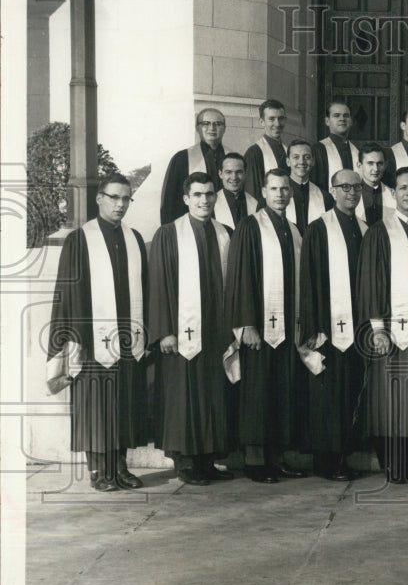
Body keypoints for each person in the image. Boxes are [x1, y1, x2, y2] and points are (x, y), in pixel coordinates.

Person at [46, 174, 149, 492]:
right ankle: (98, 472)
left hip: (128, 337)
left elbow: (144, 289)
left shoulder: (135, 239)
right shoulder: (80, 239)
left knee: (125, 404)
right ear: (99, 198)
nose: (120, 204)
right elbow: (69, 293)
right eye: (114, 197)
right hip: (91, 341)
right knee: (97, 407)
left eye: (126, 198)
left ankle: (120, 467)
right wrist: (75, 340)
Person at [148, 172, 233, 486]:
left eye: (209, 194)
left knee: (212, 394)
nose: (204, 200)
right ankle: (184, 462)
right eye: (197, 195)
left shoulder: (225, 233)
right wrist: (164, 331)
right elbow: (158, 285)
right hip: (181, 331)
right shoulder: (169, 234)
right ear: (186, 199)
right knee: (183, 396)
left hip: (214, 331)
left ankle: (207, 460)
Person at [224, 169, 309, 483]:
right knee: (259, 392)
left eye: (285, 189)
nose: (281, 194)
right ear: (263, 191)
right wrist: (246, 324)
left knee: (281, 390)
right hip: (259, 326)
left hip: (288, 328)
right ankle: (256, 461)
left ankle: (278, 457)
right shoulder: (250, 226)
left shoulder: (295, 230)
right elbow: (240, 275)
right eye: (274, 189)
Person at [357, 168, 408, 483]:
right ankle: (392, 464)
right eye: (403, 188)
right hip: (391, 331)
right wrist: (377, 328)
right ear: (394, 194)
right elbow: (370, 282)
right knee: (390, 400)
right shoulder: (379, 232)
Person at [299, 169, 369, 481]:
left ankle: (343, 455)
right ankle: (326, 461)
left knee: (350, 391)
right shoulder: (318, 229)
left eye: (356, 187)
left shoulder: (366, 229)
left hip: (358, 327)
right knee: (328, 395)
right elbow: (309, 280)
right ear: (332, 190)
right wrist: (314, 328)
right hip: (328, 327)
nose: (351, 192)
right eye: (345, 187)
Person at [160, 107, 228, 225]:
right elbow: (169, 202)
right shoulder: (181, 158)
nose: (212, 128)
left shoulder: (233, 158)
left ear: (225, 128)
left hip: (226, 225)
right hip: (190, 227)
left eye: (218, 124)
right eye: (206, 123)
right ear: (197, 128)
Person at [244, 99, 289, 200]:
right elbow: (251, 194)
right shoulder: (255, 152)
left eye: (281, 118)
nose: (277, 124)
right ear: (262, 122)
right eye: (271, 119)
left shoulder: (288, 151)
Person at [286, 139, 334, 235]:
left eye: (307, 157)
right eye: (296, 157)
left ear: (313, 161)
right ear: (288, 161)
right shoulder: (275, 195)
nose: (302, 162)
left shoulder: (326, 198)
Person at [312, 101, 360, 194]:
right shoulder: (318, 149)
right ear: (327, 121)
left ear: (351, 121)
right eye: (336, 115)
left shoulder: (357, 151)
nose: (342, 119)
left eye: (346, 115)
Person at [214, 152, 259, 230]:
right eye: (228, 172)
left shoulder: (255, 204)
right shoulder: (212, 203)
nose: (234, 177)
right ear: (220, 174)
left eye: (238, 172)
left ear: (245, 174)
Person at [356, 142, 395, 224]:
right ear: (360, 166)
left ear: (385, 165)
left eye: (379, 163)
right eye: (370, 163)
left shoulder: (393, 195)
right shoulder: (352, 194)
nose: (376, 169)